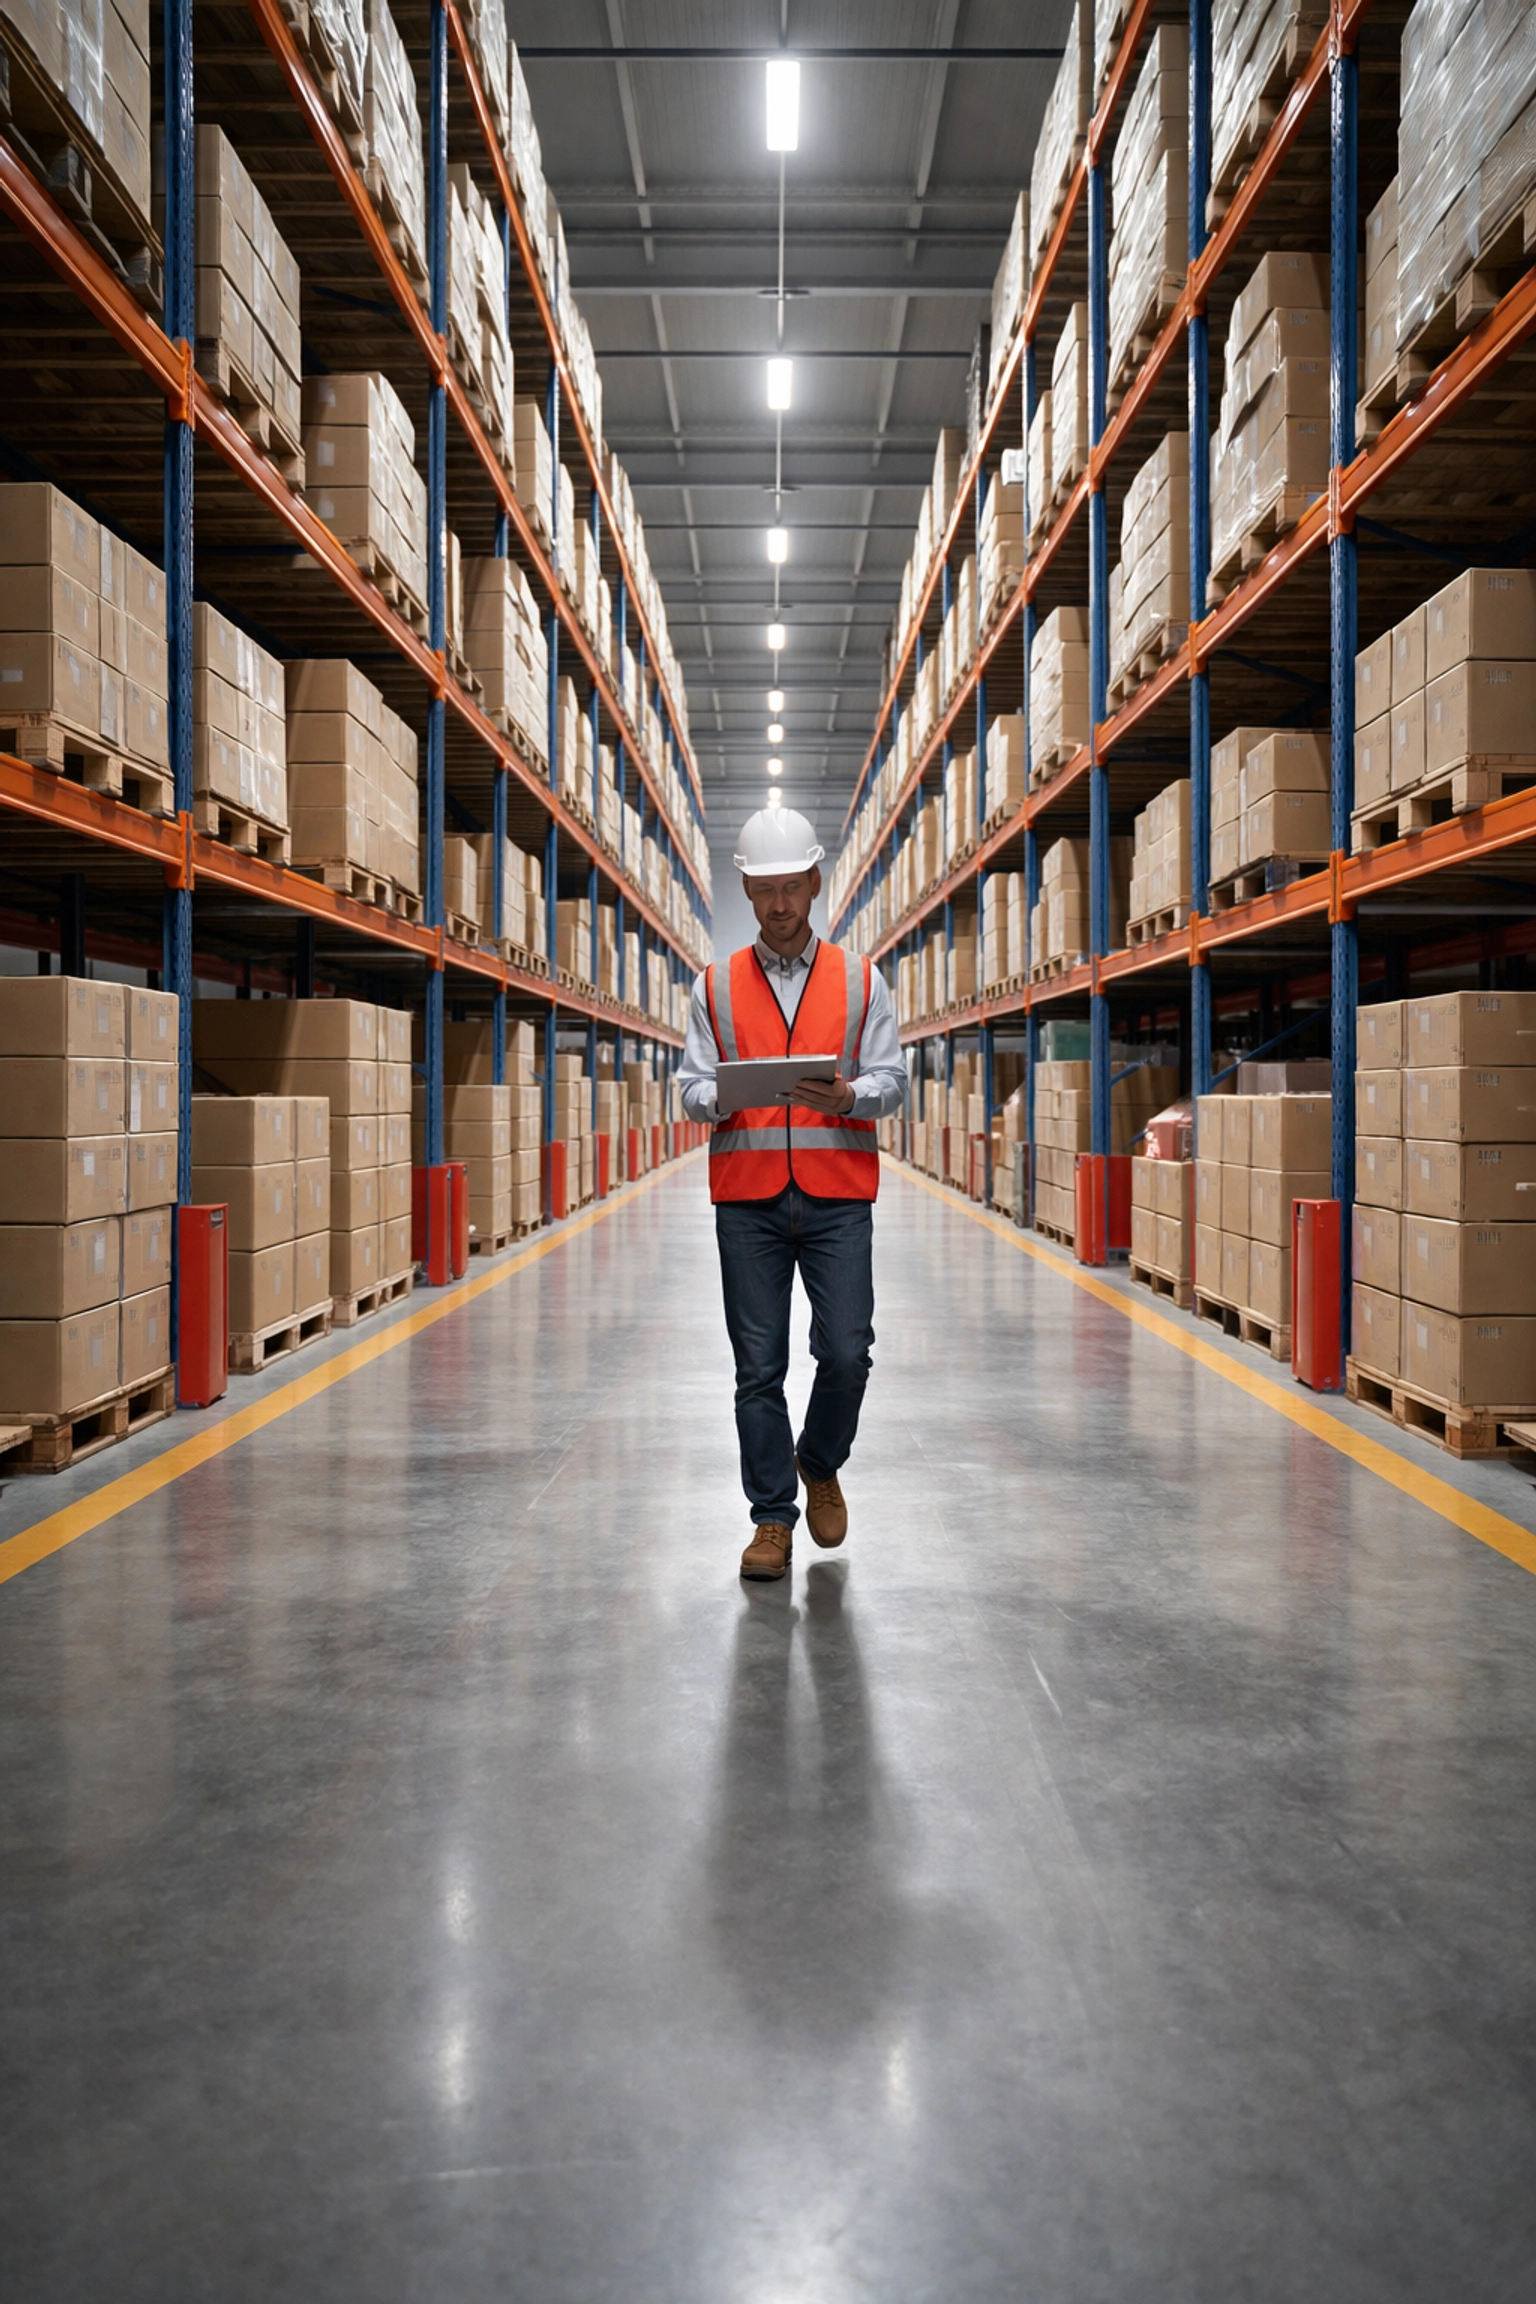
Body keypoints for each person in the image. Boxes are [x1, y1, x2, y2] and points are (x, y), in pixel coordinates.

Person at [678, 808, 908, 1582]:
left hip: (838, 1191)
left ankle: (819, 1460)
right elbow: (688, 1085)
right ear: (746, 889)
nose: (779, 905)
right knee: (758, 1367)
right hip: (747, 1198)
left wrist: (849, 1098)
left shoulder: (861, 979)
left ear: (814, 883)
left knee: (847, 1352)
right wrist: (716, 1099)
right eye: (764, 890)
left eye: (791, 888)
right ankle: (771, 1520)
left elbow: (892, 1081)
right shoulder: (712, 986)